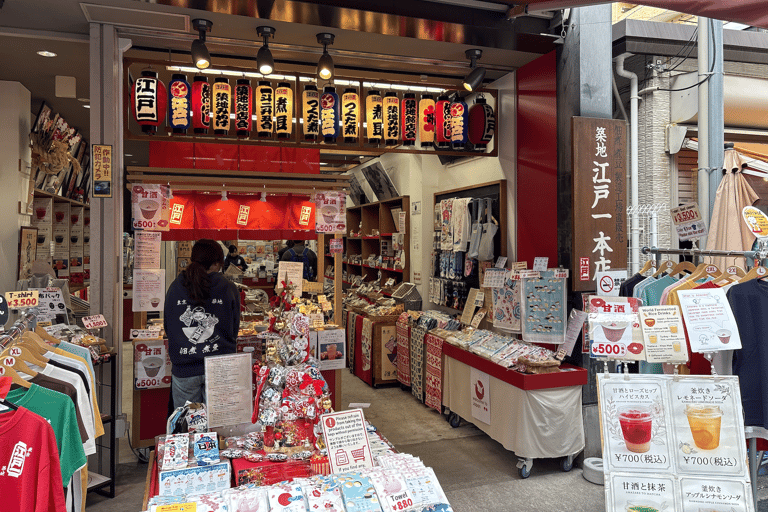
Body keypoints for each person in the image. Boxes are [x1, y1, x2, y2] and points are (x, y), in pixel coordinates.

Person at [164, 239, 241, 408]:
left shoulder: (175, 287)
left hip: (185, 368)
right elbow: (234, 329)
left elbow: (168, 327)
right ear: (216, 263)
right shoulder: (228, 288)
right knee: (219, 426)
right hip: (219, 366)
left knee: (187, 426)